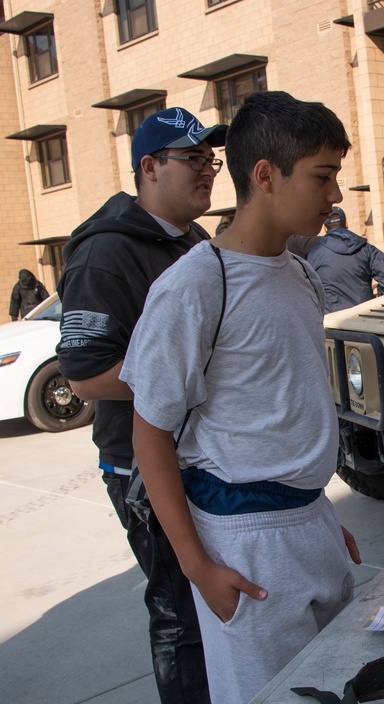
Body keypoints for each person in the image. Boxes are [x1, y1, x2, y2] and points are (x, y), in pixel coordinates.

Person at [120, 91, 363, 704]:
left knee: (338, 682)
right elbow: (149, 436)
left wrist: (320, 517)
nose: (336, 195)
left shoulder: (301, 273)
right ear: (264, 176)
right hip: (246, 543)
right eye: (322, 176)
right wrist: (198, 566)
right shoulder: (197, 286)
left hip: (312, 524)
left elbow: (294, 409)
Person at [56, 106, 224, 702]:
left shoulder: (193, 240)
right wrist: (194, 374)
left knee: (212, 605)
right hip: (139, 467)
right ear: (149, 167)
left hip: (198, 456)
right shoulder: (106, 253)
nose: (208, 171)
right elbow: (87, 376)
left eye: (212, 160)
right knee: (180, 610)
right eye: (193, 159)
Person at [307, 205, 384, 313]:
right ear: (346, 224)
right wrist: (381, 299)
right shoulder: (365, 248)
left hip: (332, 319)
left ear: (325, 228)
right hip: (365, 314)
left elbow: (306, 288)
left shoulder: (315, 254)